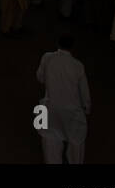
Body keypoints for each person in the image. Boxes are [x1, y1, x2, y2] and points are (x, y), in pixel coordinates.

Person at [37, 34, 91, 164]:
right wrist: (87, 108)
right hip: (72, 111)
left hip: (50, 108)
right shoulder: (78, 66)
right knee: (76, 145)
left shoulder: (47, 58)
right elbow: (84, 91)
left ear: (57, 43)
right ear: (73, 47)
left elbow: (40, 77)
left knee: (51, 144)